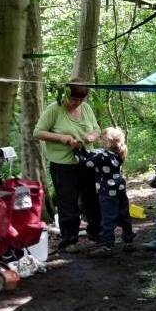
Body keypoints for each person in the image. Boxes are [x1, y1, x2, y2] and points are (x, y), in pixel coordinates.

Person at [34, 83, 101, 253]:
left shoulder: (86, 108)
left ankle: (96, 233)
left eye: (80, 99)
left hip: (86, 161)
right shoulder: (54, 109)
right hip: (63, 165)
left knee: (91, 198)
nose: (76, 103)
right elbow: (38, 132)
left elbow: (96, 129)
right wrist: (63, 138)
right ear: (66, 95)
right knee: (67, 202)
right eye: (73, 99)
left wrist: (90, 136)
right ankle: (69, 240)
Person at [74, 127, 132, 258]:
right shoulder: (117, 153)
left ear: (106, 141)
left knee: (107, 218)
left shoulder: (102, 155)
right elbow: (91, 156)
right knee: (124, 215)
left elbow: (85, 163)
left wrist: (76, 151)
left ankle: (107, 245)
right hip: (120, 189)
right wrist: (83, 149)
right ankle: (128, 240)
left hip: (107, 192)